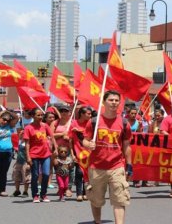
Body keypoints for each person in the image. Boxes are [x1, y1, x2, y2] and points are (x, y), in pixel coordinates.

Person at [82, 90, 132, 224]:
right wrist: (89, 144)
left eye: (116, 100)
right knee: (96, 200)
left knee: (120, 199)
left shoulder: (124, 123)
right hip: (96, 167)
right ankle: (97, 221)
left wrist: (129, 165)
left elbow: (127, 146)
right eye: (111, 100)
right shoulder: (93, 122)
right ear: (104, 102)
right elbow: (84, 140)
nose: (114, 102)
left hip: (117, 166)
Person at [24, 108, 57, 203]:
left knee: (46, 174)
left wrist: (55, 148)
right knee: (35, 175)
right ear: (33, 116)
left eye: (41, 115)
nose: (40, 117)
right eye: (38, 115)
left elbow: (52, 137)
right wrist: (28, 156)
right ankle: (35, 195)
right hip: (34, 154)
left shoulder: (45, 126)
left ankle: (43, 194)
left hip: (46, 153)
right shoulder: (28, 128)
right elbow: (27, 143)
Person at [69, 106, 92, 201]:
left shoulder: (91, 124)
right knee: (79, 173)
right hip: (78, 152)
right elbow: (70, 140)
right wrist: (72, 154)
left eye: (91, 114)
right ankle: (78, 194)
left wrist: (79, 131)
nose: (90, 116)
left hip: (90, 153)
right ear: (82, 114)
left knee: (88, 174)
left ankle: (85, 192)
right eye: (88, 114)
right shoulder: (74, 123)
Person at [53, 104, 76, 197]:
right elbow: (50, 135)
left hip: (70, 150)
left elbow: (78, 136)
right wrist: (62, 134)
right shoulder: (55, 122)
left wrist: (69, 137)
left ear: (70, 113)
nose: (63, 113)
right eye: (61, 111)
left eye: (65, 111)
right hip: (58, 149)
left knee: (70, 169)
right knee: (58, 169)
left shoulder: (73, 123)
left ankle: (68, 188)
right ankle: (61, 187)